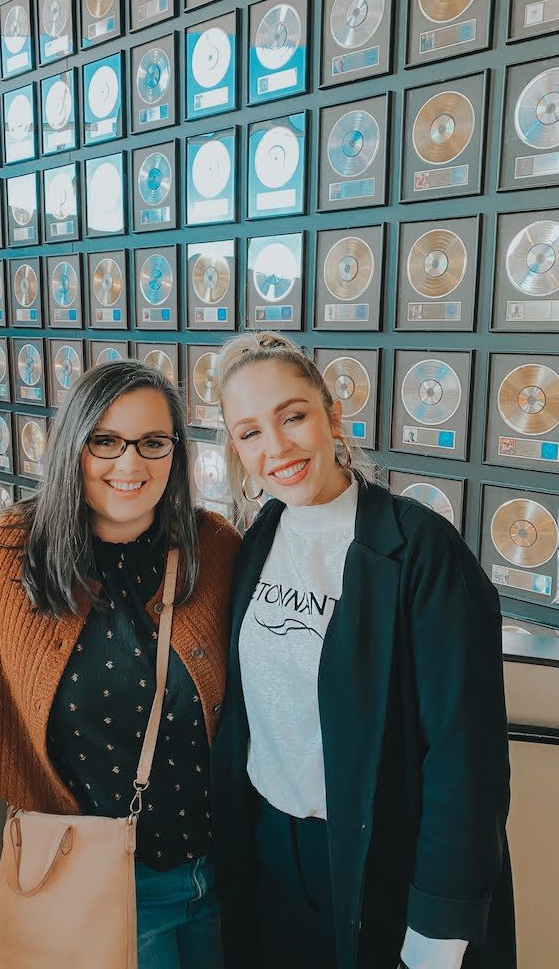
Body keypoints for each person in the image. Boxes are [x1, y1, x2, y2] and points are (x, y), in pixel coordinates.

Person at [0, 360, 241, 969]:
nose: (130, 465)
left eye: (153, 443)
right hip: (85, 887)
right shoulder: (1, 554)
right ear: (71, 446)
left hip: (224, 881)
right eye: (105, 441)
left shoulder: (214, 549)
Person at [210, 332, 516, 969]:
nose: (277, 448)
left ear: (332, 415)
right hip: (268, 851)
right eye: (250, 433)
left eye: (292, 416)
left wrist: (439, 925)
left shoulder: (420, 549)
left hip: (373, 860)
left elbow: (466, 752)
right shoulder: (258, 540)